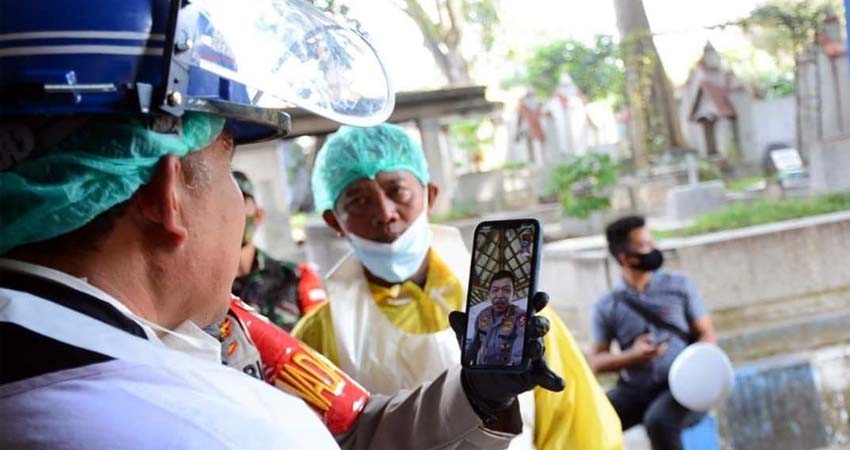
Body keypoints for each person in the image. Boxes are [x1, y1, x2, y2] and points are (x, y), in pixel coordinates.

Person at [0, 2, 562, 449]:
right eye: (228, 165)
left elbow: (353, 429)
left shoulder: (213, 334)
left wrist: (475, 394)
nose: (386, 216)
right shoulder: (236, 429)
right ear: (167, 195)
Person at [294, 123, 624, 450]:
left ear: (430, 195)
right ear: (333, 221)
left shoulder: (515, 308)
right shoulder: (317, 337)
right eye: (358, 201)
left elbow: (579, 424)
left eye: (398, 191)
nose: (385, 213)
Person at [588, 216, 718, 450]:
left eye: (652, 242)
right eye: (644, 246)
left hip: (681, 388)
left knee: (659, 421)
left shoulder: (680, 286)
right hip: (635, 389)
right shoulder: (607, 305)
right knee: (590, 419)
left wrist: (698, 369)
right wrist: (633, 356)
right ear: (624, 257)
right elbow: (595, 361)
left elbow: (707, 334)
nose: (653, 250)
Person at [231, 170, 327, 331]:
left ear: (259, 215)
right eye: (223, 205)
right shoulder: (205, 292)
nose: (233, 214)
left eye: (240, 202)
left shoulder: (296, 277)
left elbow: (322, 337)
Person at [465, 271, 527, 366]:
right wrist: (463, 362)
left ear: (513, 294)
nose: (500, 295)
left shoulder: (520, 317)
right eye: (495, 290)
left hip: (506, 376)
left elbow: (519, 354)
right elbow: (474, 345)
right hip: (482, 372)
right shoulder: (482, 315)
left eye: (506, 290)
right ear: (489, 293)